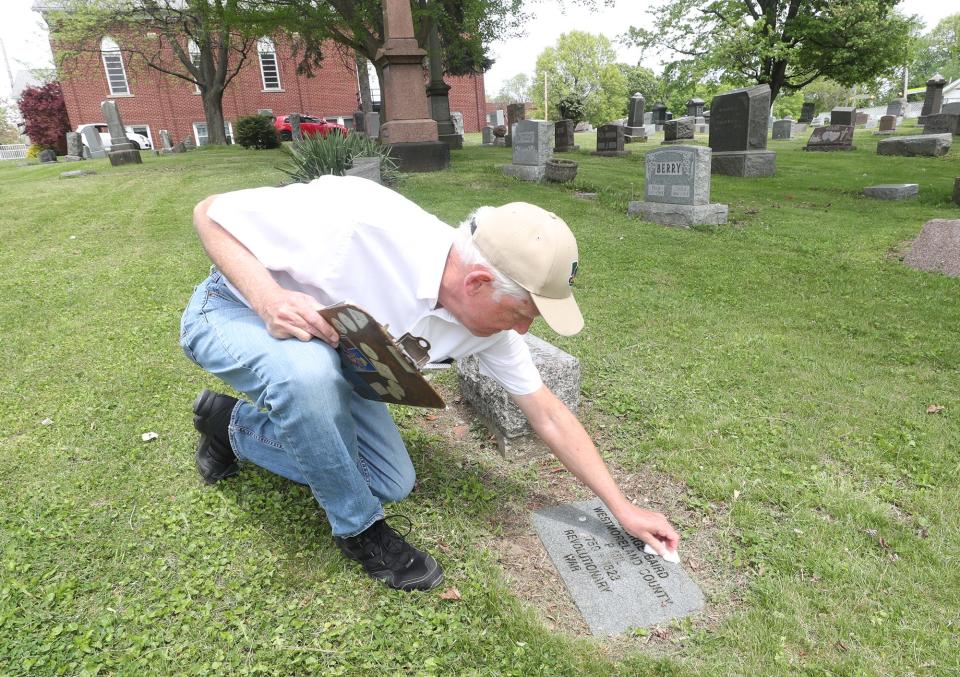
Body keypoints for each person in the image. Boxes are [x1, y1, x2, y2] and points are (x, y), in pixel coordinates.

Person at [179, 175, 679, 592]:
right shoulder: (359, 219)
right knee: (308, 376)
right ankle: (360, 530)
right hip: (232, 308)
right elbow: (210, 213)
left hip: (335, 358)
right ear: (479, 283)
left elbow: (547, 412)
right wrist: (267, 297)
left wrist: (622, 507)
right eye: (523, 313)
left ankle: (232, 426)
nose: (524, 330)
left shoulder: (487, 332)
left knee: (391, 481)